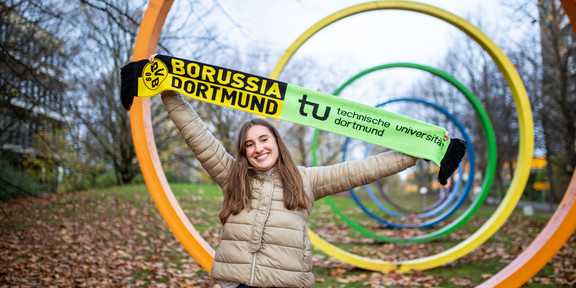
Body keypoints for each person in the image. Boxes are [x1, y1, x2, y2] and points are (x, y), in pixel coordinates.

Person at [153, 56, 449, 288]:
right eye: (249, 144)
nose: (258, 148)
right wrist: (167, 91)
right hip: (238, 283)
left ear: (277, 142)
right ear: (243, 152)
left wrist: (420, 151)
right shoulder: (233, 176)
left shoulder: (307, 179)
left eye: (264, 139)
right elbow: (197, 135)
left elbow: (366, 168)